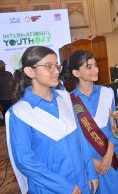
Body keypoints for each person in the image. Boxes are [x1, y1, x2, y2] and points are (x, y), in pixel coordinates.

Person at [6, 46, 98, 194]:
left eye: (57, 65)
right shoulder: (20, 112)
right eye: (49, 66)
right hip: (51, 188)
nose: (56, 71)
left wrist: (91, 171)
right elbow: (25, 162)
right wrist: (65, 187)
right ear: (30, 71)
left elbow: (80, 138)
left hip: (81, 182)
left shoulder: (65, 98)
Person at [67, 50, 118, 194]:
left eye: (95, 65)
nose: (96, 70)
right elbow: (73, 138)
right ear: (76, 73)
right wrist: (91, 161)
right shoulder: (69, 101)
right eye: (89, 67)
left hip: (108, 156)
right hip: (86, 162)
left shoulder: (107, 92)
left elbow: (114, 126)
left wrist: (109, 154)